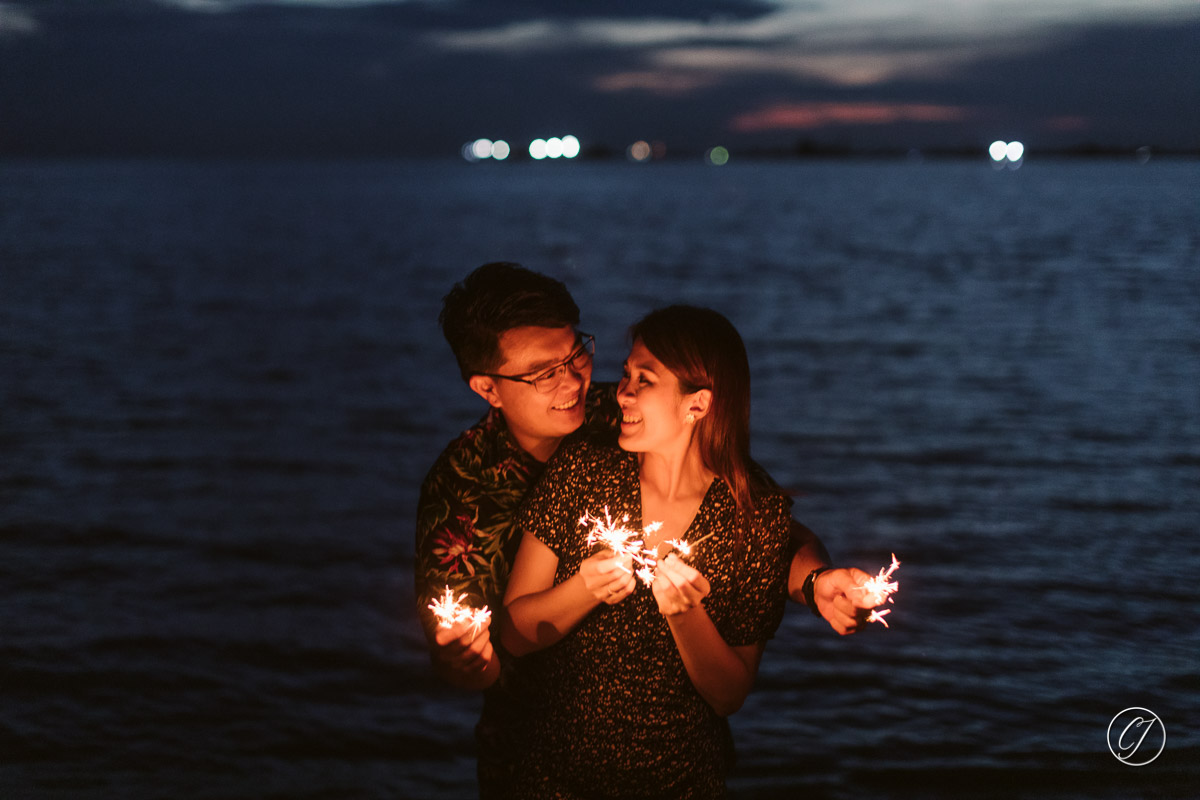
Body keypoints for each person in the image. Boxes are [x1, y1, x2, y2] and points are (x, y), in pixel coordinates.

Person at [414, 264, 875, 798]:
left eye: (577, 353)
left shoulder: (619, 413)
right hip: (532, 759)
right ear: (487, 388)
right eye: (544, 373)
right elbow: (479, 652)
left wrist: (815, 582)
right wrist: (470, 656)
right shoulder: (461, 490)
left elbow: (764, 524)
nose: (574, 382)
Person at [502, 305, 799, 797]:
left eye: (646, 380)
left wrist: (685, 616)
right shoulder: (583, 472)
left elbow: (729, 695)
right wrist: (582, 590)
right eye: (625, 375)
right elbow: (513, 634)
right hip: (554, 781)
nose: (623, 392)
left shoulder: (755, 519)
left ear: (696, 405)